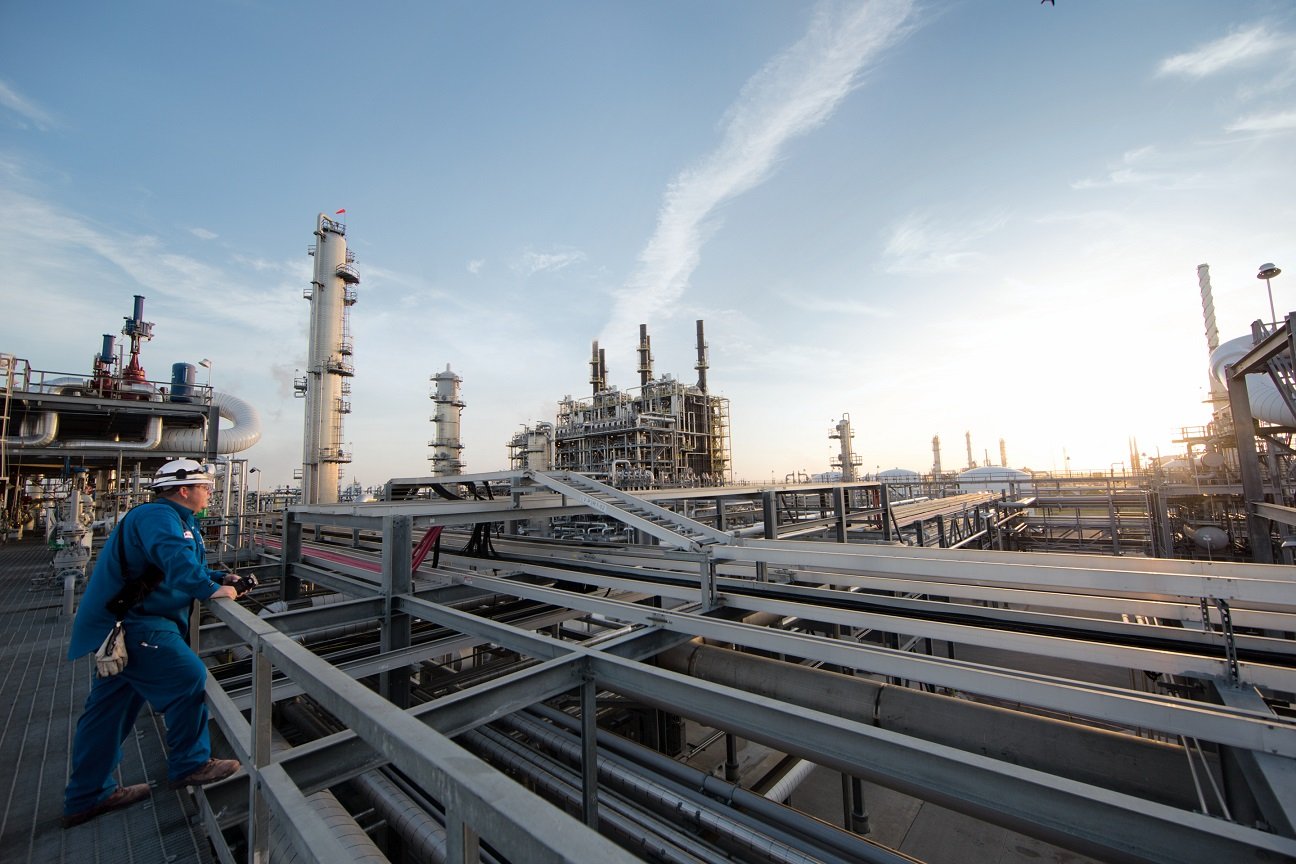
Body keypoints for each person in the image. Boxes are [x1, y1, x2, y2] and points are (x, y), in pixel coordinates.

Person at [62, 458, 248, 828]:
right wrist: (213, 589)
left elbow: (175, 565)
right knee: (188, 677)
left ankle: (87, 796)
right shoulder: (158, 518)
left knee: (108, 713)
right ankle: (190, 763)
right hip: (137, 623)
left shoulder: (178, 521)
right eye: (205, 487)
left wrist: (218, 575)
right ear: (184, 490)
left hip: (131, 621)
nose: (210, 492)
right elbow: (177, 562)